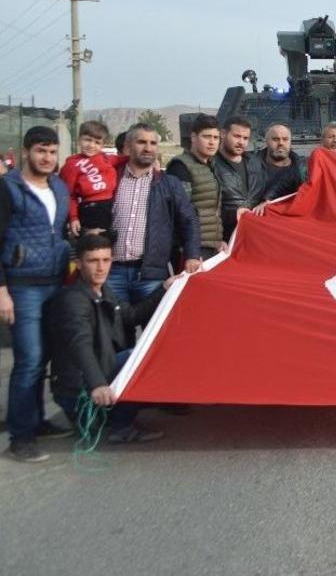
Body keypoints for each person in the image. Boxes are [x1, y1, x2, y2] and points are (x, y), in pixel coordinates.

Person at [45, 233, 180, 444]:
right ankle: (121, 427)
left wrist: (164, 288)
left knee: (146, 355)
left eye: (106, 260)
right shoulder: (73, 300)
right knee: (137, 359)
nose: (101, 267)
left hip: (92, 380)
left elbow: (131, 315)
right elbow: (80, 345)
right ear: (79, 264)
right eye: (93, 261)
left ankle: (109, 417)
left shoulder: (103, 291)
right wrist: (98, 383)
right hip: (78, 391)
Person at [0, 127, 74, 463]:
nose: (47, 158)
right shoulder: (8, 188)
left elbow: (57, 233)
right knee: (28, 360)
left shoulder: (58, 187)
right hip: (21, 284)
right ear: (27, 151)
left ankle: (37, 421)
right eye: (41, 151)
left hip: (54, 282)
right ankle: (20, 437)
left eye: (52, 152)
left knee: (44, 357)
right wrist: (2, 291)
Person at [107, 123, 201, 304]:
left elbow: (189, 219)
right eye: (141, 142)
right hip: (112, 272)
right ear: (127, 146)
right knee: (115, 330)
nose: (148, 148)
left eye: (152, 143)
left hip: (151, 275)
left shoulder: (169, 184)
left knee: (153, 329)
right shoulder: (111, 178)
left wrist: (192, 254)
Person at [166, 113, 224, 259]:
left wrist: (218, 241)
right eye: (206, 136)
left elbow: (212, 210)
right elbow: (180, 212)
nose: (212, 142)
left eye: (216, 138)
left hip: (211, 247)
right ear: (193, 137)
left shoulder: (210, 166)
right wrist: (190, 251)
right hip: (192, 249)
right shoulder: (181, 166)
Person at [59, 120, 118, 237]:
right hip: (90, 211)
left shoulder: (106, 159)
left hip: (109, 208)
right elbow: (68, 195)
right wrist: (73, 217)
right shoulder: (72, 165)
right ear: (79, 139)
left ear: (103, 145)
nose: (91, 145)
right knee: (93, 247)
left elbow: (124, 158)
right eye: (87, 140)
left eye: (97, 142)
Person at [213, 116, 267, 241]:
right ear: (223, 134)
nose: (241, 142)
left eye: (245, 138)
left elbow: (265, 190)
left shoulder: (256, 163)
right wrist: (233, 215)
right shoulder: (211, 164)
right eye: (237, 136)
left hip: (253, 235)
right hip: (223, 239)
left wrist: (266, 200)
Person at [257, 123, 308, 205]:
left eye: (285, 139)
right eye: (275, 139)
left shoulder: (304, 168)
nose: (281, 143)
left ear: (291, 141)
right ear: (266, 141)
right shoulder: (249, 164)